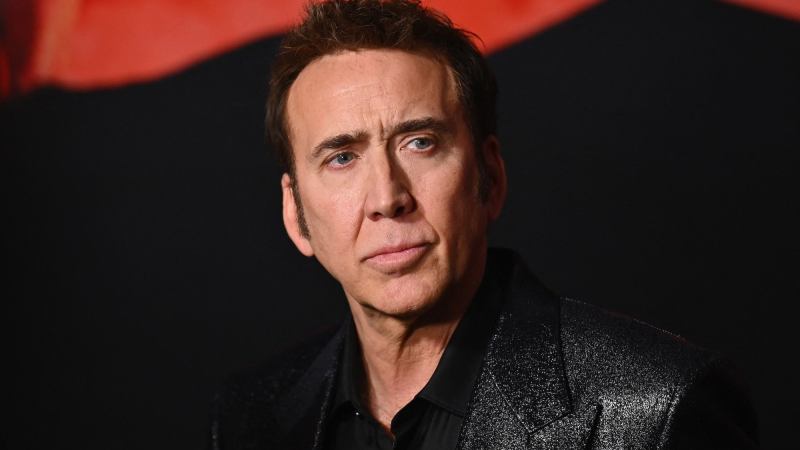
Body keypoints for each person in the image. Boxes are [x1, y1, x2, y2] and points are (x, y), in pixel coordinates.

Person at [208, 1, 758, 448]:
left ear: (489, 177)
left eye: (419, 143)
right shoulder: (251, 415)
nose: (387, 198)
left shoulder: (657, 405)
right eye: (342, 157)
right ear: (296, 214)